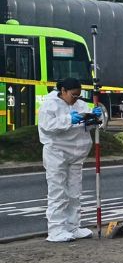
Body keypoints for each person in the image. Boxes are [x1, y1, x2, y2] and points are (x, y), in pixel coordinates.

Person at [37, 78, 101, 242]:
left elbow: (87, 127)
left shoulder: (81, 105)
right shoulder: (49, 105)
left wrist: (93, 119)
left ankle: (73, 226)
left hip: (77, 154)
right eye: (73, 95)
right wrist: (68, 119)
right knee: (58, 191)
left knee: (74, 192)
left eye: (78, 95)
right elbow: (47, 126)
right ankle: (56, 230)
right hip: (57, 152)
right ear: (63, 91)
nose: (76, 99)